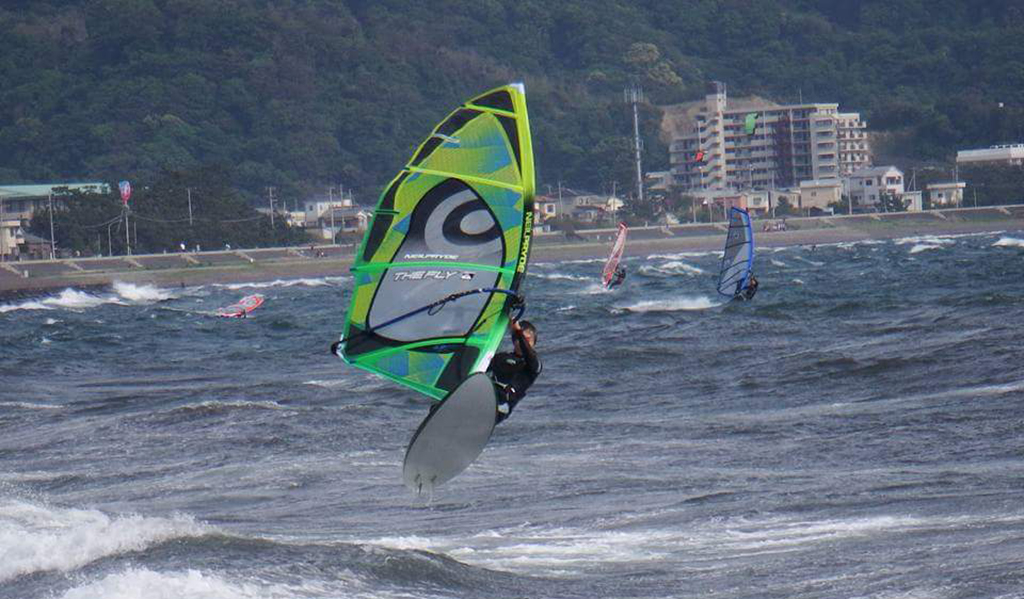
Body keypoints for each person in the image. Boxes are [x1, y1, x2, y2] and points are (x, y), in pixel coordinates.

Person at [487, 319, 541, 424]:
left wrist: (518, 331)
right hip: (485, 396)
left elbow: (529, 353)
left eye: (527, 339)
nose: (521, 342)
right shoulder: (500, 357)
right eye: (519, 339)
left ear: (534, 342)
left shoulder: (533, 365)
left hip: (501, 406)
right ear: (514, 340)